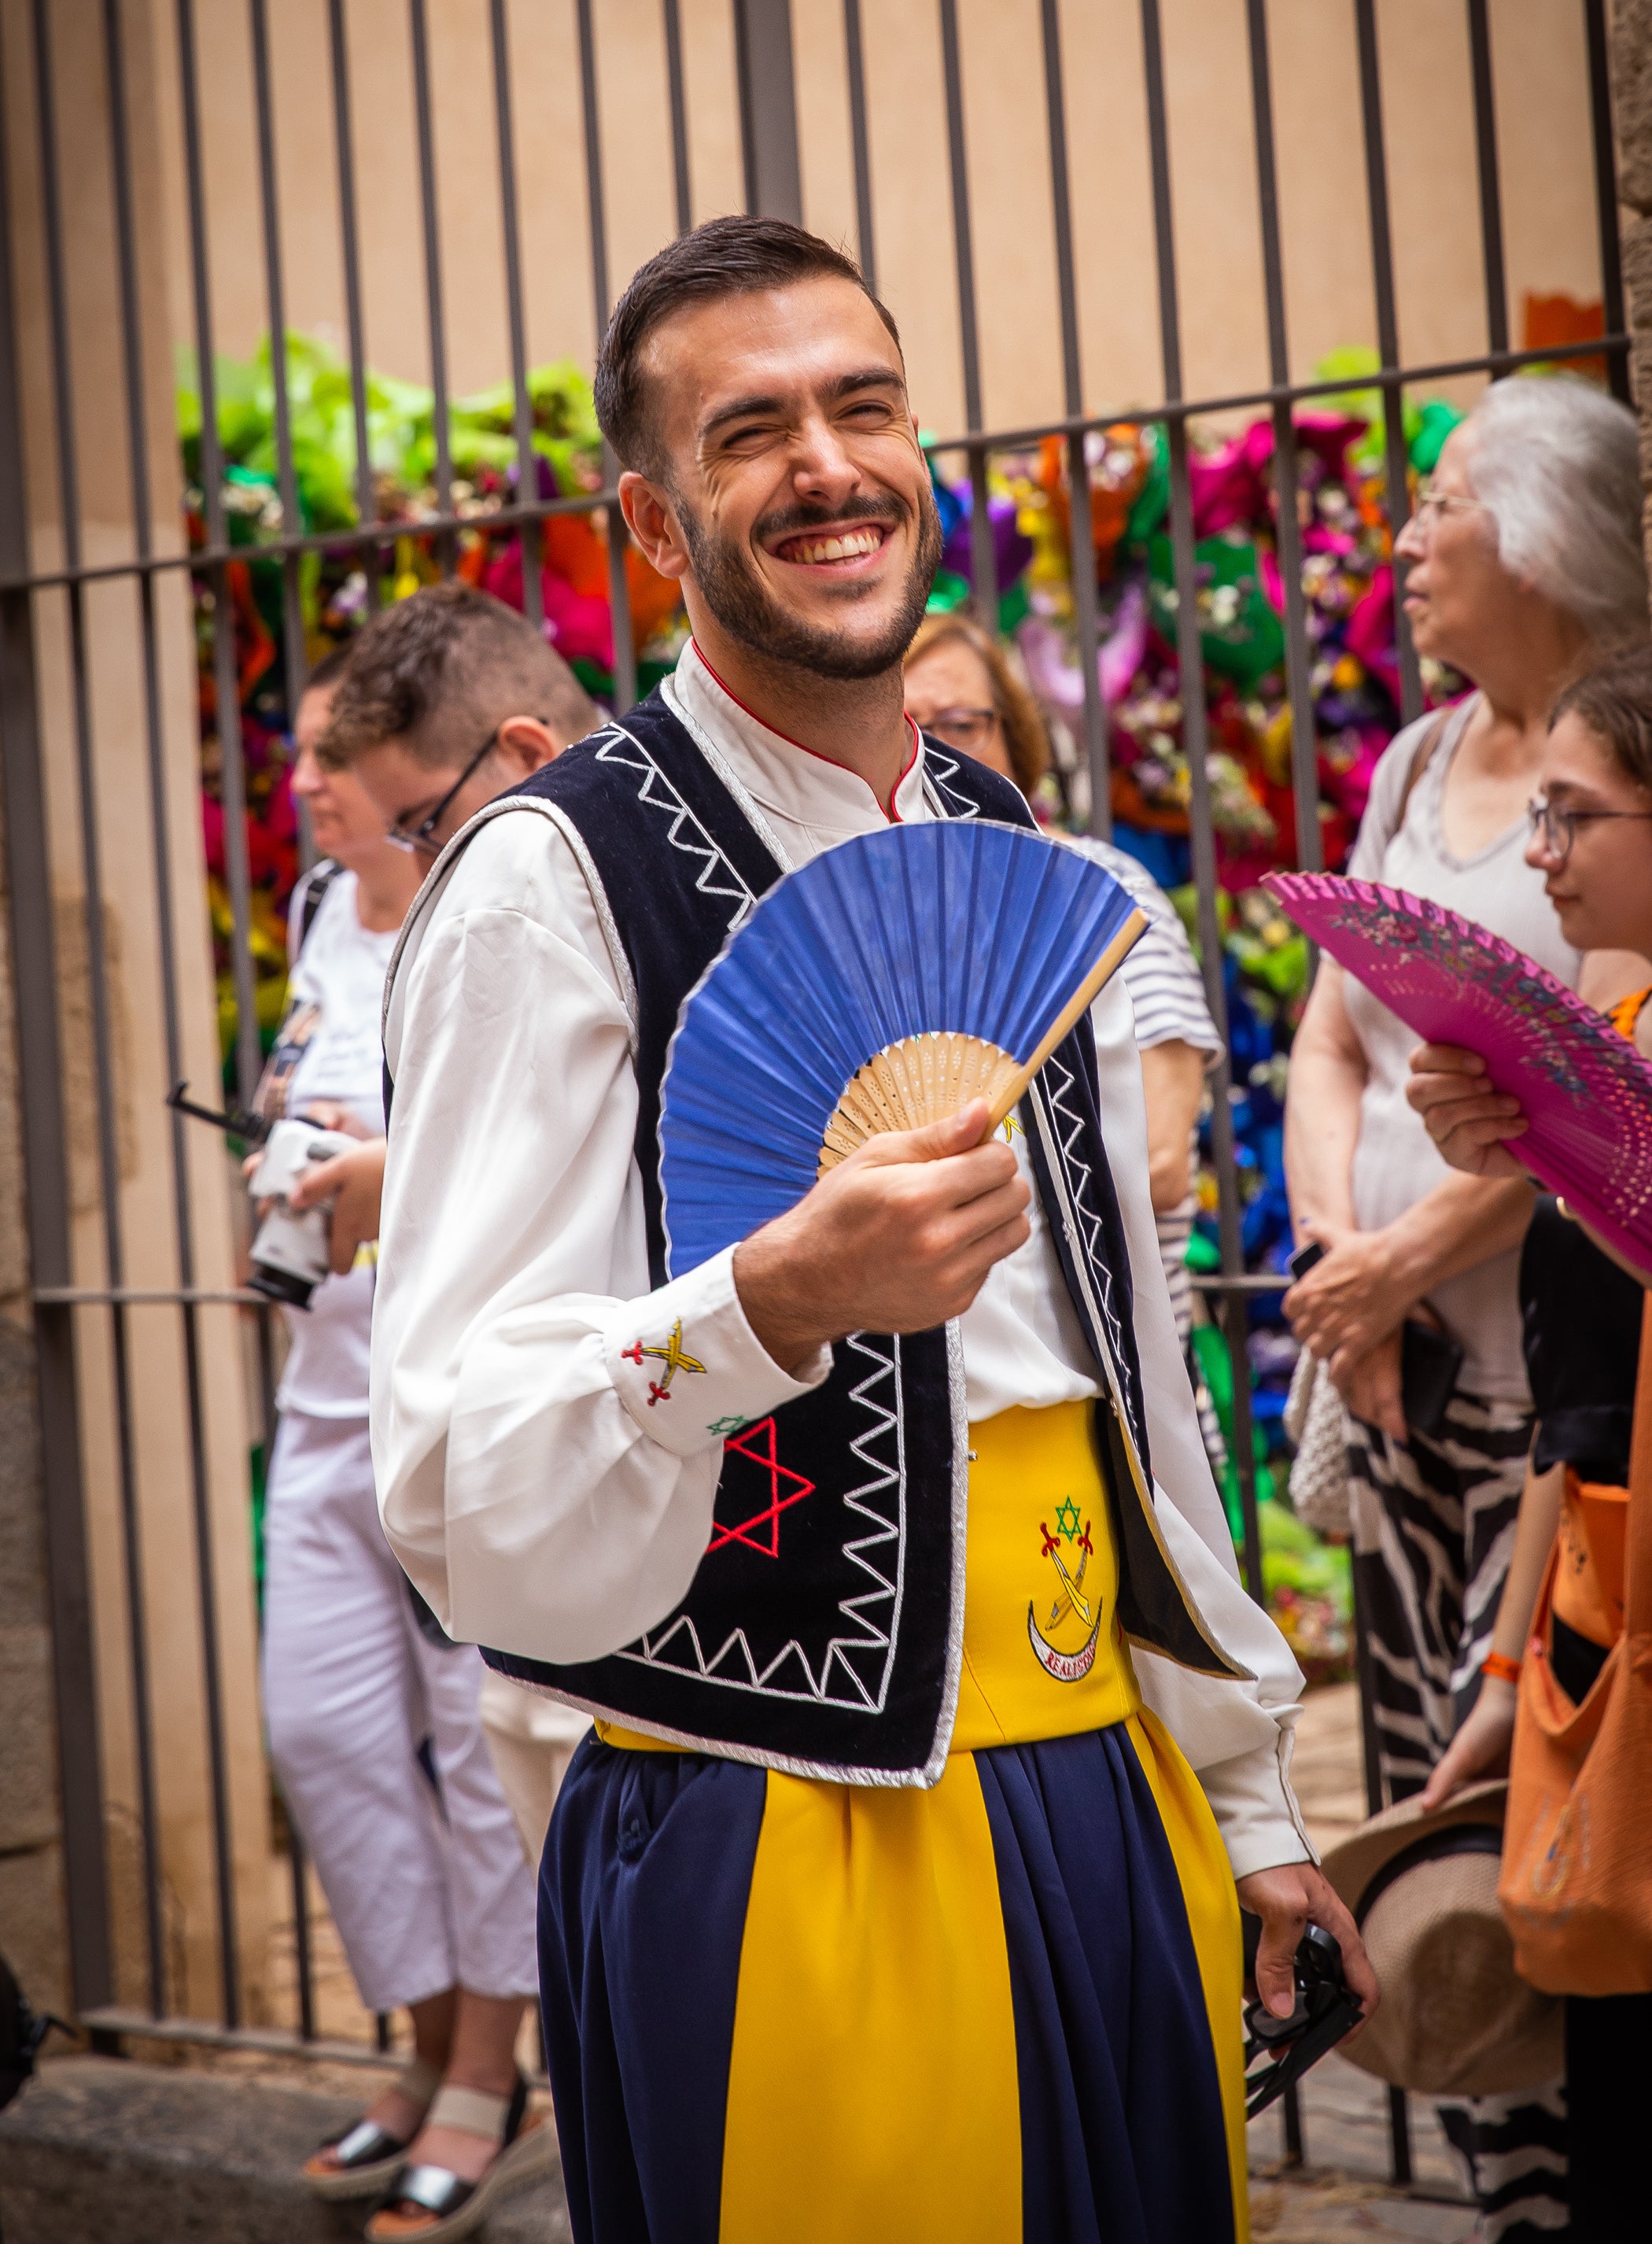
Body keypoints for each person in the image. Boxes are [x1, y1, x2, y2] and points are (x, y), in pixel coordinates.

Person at [371, 215, 1375, 2244]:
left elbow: (1130, 1371)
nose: (827, 463)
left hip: (1104, 1788)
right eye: (752, 433)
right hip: (778, 1830)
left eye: (863, 405)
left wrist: (1245, 1794)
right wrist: (761, 1305)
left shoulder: (1026, 856)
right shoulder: (545, 890)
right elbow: (451, 1470)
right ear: (655, 525)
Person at [1282, 374, 1651, 2230]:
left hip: (1570, 1410)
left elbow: (1614, 1099)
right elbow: (1330, 1038)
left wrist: (1411, 1254)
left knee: (1566, 1828)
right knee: (1454, 1825)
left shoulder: (1627, 757)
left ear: (1547, 537)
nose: (1407, 543)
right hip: (1418, 1392)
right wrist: (1342, 1269)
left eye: (1442, 507)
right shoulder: (1420, 765)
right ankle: (1521, 2204)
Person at [258, 648, 548, 2239]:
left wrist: (390, 1165)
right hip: (320, 1391)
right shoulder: (322, 918)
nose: (309, 781)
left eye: (329, 760)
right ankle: (434, 2035)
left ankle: (479, 2073)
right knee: (325, 1734)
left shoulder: (477, 905)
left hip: (442, 1395)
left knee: (469, 1742)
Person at [301, 588, 603, 1885]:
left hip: (630, 1546)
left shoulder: (635, 887)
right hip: (508, 1546)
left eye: (426, 822)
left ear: (527, 753)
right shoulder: (486, 910)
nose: (417, 861)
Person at [1407, 647, 1652, 2241]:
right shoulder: (1610, 1030)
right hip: (1601, 1633)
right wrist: (1510, 1686)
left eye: (1571, 814)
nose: (1538, 852)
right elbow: (1572, 1424)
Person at [902, 610, 1222, 1344]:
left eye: (959, 724)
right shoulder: (871, 923)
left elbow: (1163, 1163)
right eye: (904, 725)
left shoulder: (1104, 890)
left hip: (1113, 1376)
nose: (930, 754)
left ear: (1015, 741)